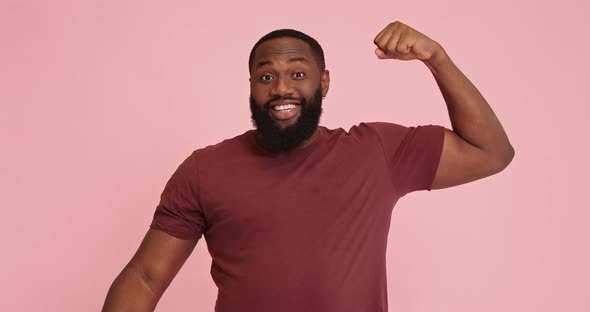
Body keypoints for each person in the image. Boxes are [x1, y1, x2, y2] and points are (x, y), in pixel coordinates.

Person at [102, 21, 514, 312]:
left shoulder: (377, 150)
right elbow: (144, 278)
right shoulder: (203, 170)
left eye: (298, 73)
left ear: (324, 82)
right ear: (251, 86)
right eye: (266, 76)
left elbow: (491, 152)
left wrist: (436, 58)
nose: (281, 87)